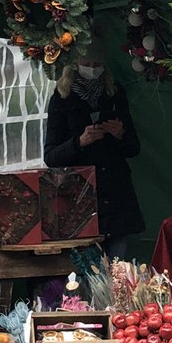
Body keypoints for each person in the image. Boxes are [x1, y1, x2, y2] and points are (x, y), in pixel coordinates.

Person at [43, 36, 144, 260]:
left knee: (116, 272)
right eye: (87, 65)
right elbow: (50, 156)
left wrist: (120, 134)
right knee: (86, 274)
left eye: (97, 65)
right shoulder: (62, 98)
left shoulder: (115, 94)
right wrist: (79, 142)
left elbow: (133, 148)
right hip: (79, 200)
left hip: (116, 196)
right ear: (75, 65)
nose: (92, 69)